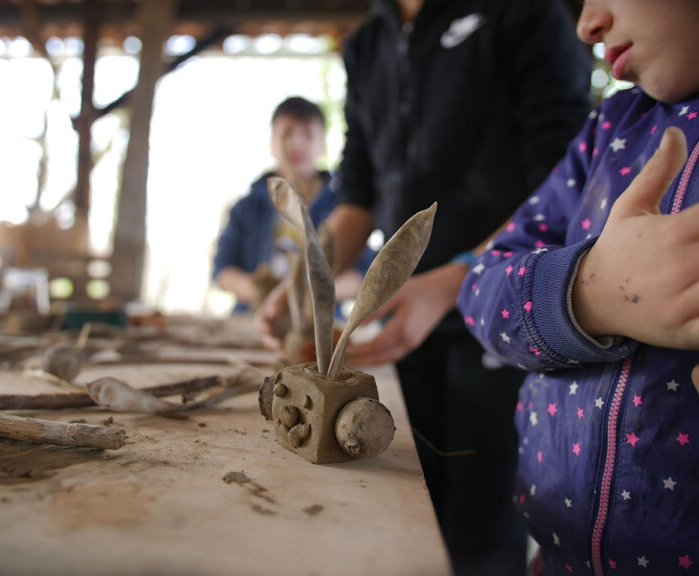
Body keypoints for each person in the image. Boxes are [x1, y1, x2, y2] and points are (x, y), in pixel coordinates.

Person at [257, 1, 592, 574]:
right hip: (405, 320)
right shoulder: (367, 43)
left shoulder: (524, 15)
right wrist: (306, 277)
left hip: (507, 317)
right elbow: (359, 192)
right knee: (405, 505)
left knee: (480, 529)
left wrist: (457, 277)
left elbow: (560, 183)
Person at [457, 0, 699, 573]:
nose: (587, 24)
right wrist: (587, 292)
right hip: (554, 552)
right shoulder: (612, 127)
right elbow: (481, 286)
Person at [212, 96, 372, 314]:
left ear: (322, 145)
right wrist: (259, 291)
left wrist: (315, 292)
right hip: (253, 317)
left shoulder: (345, 207)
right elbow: (222, 269)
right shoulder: (247, 207)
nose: (296, 143)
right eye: (286, 134)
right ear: (271, 143)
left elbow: (365, 273)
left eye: (307, 134)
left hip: (316, 322)